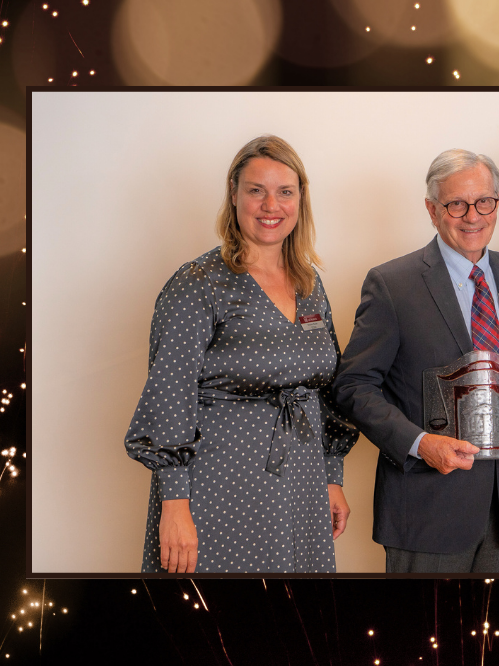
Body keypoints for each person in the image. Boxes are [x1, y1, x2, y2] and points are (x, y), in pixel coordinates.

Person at [125, 135, 357, 574]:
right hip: (219, 489)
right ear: (233, 195)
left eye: (285, 192)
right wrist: (174, 504)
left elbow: (326, 390)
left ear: (300, 199)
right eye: (256, 190)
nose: (271, 205)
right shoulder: (199, 283)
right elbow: (170, 395)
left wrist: (332, 476)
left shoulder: (309, 284)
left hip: (303, 486)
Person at [333, 149, 499, 573]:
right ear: (432, 210)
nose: (473, 216)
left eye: (484, 201)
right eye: (456, 204)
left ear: (497, 203)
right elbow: (353, 385)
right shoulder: (392, 284)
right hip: (424, 509)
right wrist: (420, 444)